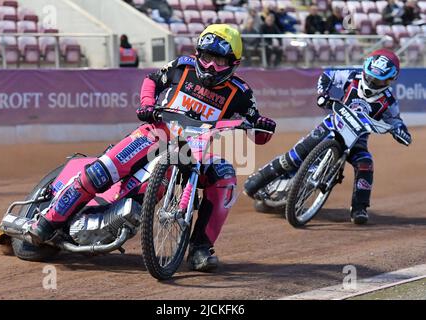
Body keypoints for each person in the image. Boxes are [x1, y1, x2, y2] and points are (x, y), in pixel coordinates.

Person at [27, 24, 276, 272]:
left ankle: (201, 248)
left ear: (234, 63)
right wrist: (147, 104)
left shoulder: (242, 93)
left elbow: (258, 133)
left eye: (219, 60)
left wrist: (262, 127)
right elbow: (152, 81)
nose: (211, 66)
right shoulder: (182, 66)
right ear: (198, 53)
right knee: (103, 169)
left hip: (195, 149)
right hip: (156, 134)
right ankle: (49, 221)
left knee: (225, 175)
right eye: (207, 57)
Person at [244, 49, 412, 225]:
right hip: (331, 125)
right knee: (295, 155)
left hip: (357, 142)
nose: (372, 82)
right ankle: (257, 181)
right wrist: (323, 94)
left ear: (390, 80)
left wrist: (400, 132)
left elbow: (396, 122)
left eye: (378, 80)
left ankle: (359, 208)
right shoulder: (351, 76)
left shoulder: (389, 101)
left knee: (365, 163)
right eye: (370, 77)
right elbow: (327, 76)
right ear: (365, 69)